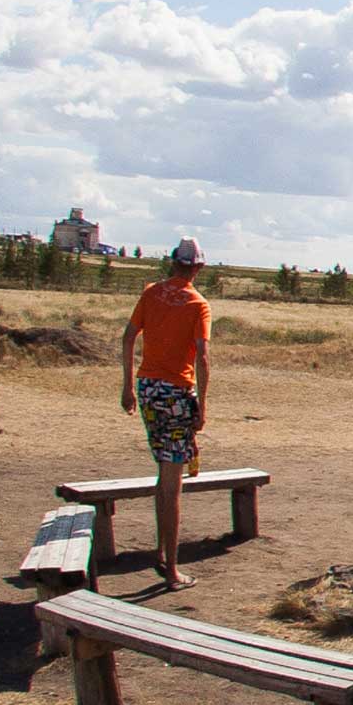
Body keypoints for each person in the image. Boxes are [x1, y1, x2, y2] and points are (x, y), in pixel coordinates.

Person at [122, 237, 213, 588]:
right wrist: (202, 404)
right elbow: (202, 356)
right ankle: (172, 570)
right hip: (176, 393)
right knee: (173, 480)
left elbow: (128, 337)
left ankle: (162, 552)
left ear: (173, 262)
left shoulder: (151, 293)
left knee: (163, 470)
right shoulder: (197, 304)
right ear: (198, 267)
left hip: (148, 389)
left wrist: (128, 386)